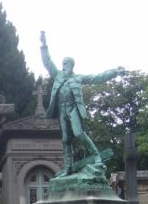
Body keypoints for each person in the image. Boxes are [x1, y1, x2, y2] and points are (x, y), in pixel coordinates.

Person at [40, 31, 126, 177]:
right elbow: (48, 62)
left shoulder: (78, 78)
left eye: (65, 64)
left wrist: (115, 72)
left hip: (73, 109)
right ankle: (68, 167)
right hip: (62, 111)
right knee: (66, 139)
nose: (63, 66)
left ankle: (96, 155)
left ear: (71, 65)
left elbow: (97, 77)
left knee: (79, 133)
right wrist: (44, 45)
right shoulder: (58, 75)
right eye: (62, 64)